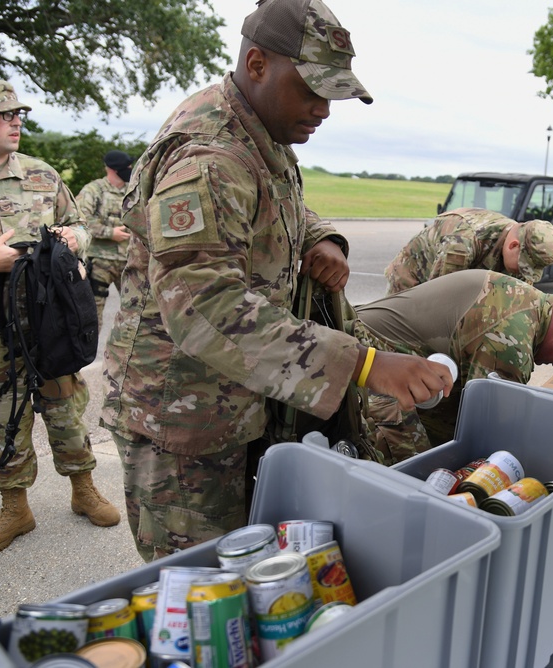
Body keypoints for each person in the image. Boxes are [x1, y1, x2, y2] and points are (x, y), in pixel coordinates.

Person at [100, 0, 453, 562]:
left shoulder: (262, 132)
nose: (324, 110)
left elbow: (281, 209)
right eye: (312, 90)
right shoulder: (211, 157)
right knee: (206, 587)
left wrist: (323, 239)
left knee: (256, 567)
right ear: (258, 64)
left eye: (333, 94)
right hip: (186, 421)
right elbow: (202, 306)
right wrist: (363, 364)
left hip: (238, 398)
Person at [0, 77, 120, 558]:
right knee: (2, 415)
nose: (16, 121)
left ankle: (84, 491)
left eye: (19, 114)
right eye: (3, 114)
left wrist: (76, 239)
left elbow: (77, 224)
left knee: (65, 405)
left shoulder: (42, 174)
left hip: (47, 319)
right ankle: (15, 508)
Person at [348, 269, 553, 458]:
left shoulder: (526, 299)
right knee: (414, 466)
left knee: (444, 438)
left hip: (378, 345)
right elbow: (490, 428)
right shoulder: (513, 338)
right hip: (365, 357)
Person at [384, 207, 553, 294]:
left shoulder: (518, 240)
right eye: (524, 266)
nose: (523, 274)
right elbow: (437, 298)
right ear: (513, 246)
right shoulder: (463, 243)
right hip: (412, 278)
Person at [76, 149, 133, 324]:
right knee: (92, 313)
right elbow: (80, 220)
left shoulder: (133, 190)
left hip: (129, 260)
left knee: (135, 312)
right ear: (113, 169)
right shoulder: (94, 190)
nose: (130, 170)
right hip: (100, 261)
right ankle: (90, 350)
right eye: (127, 167)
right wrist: (110, 233)